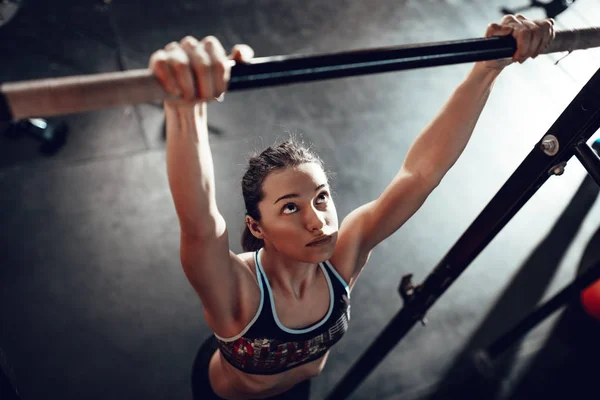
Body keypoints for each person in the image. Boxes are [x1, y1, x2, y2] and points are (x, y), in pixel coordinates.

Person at [148, 14, 555, 400]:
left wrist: (486, 69)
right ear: (257, 227)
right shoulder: (236, 289)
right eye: (290, 208)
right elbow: (200, 226)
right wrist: (186, 107)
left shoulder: (345, 251)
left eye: (321, 197)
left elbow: (419, 174)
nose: (317, 221)